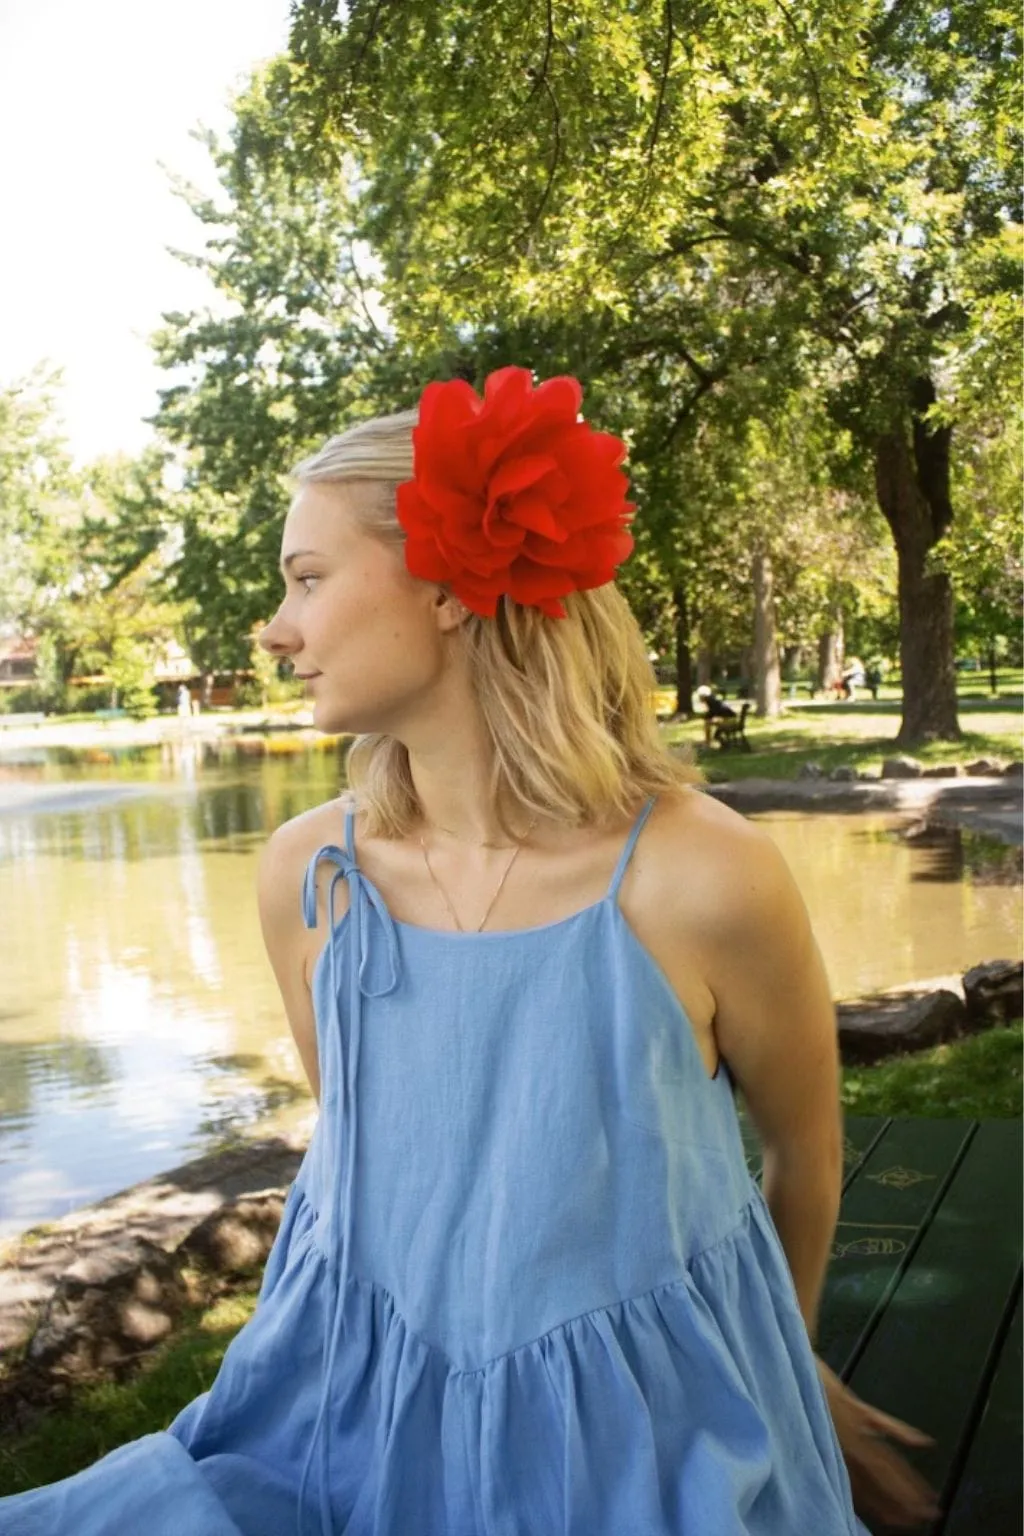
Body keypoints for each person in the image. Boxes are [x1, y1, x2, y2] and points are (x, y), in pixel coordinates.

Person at [0, 367, 938, 1535]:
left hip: (638, 1442)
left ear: (448, 587)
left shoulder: (701, 874)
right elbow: (363, 1167)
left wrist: (783, 1380)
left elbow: (806, 1156)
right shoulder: (310, 877)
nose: (276, 627)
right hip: (339, 1414)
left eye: (306, 579)